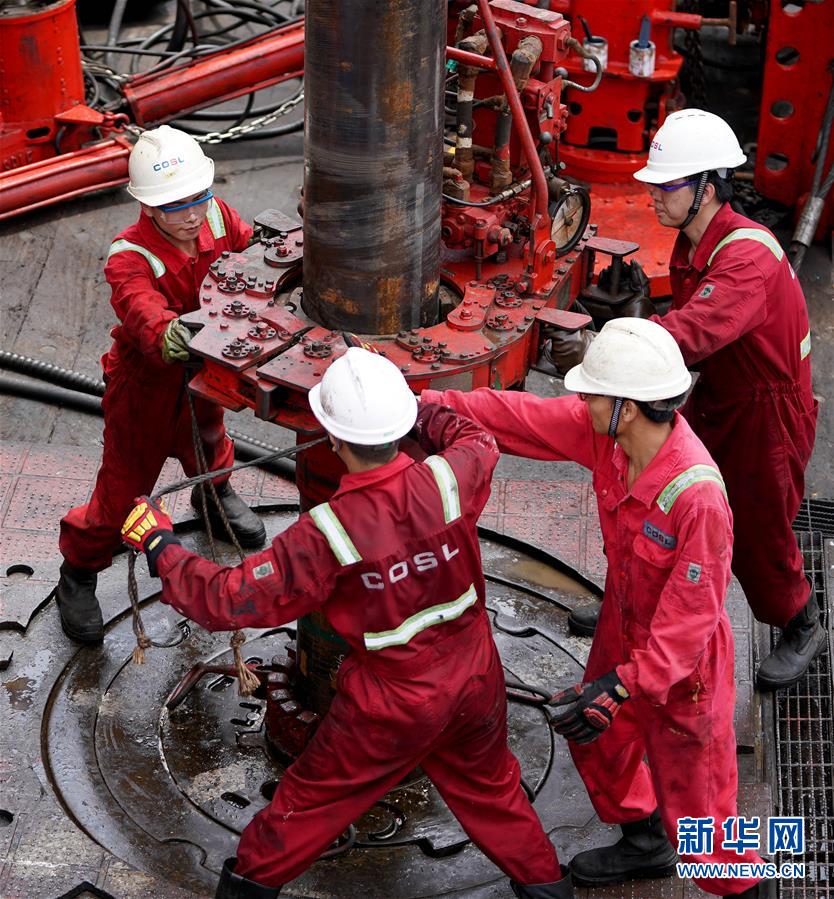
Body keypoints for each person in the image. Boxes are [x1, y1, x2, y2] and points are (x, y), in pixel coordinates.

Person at [122, 347, 571, 899]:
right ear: (399, 425)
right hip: (476, 677)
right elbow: (477, 438)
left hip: (392, 706)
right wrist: (415, 405)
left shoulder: (328, 534)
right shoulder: (450, 479)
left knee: (308, 806)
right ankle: (550, 888)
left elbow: (227, 600)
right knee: (494, 794)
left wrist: (160, 545)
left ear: (332, 439)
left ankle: (245, 888)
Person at [422, 319, 772, 898]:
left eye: (591, 394)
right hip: (624, 632)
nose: (580, 402)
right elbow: (517, 418)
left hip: (684, 677)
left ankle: (750, 886)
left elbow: (688, 626)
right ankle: (644, 840)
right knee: (596, 740)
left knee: (707, 835)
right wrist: (419, 404)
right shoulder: (608, 436)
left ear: (627, 409)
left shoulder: (697, 499)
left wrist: (623, 686)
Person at [633, 108, 822, 691]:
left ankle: (803, 624)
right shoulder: (695, 242)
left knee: (761, 531)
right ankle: (645, 606)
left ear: (708, 189)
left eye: (666, 185)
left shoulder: (745, 259)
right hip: (723, 395)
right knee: (666, 497)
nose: (654, 195)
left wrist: (611, 343)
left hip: (768, 415)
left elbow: (691, 335)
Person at [55, 125, 265, 644]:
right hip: (146, 387)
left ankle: (213, 495)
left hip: (205, 374)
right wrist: (168, 332)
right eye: (174, 206)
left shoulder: (218, 216)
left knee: (209, 441)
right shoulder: (129, 254)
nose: (191, 214)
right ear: (147, 206)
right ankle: (78, 571)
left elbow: (250, 255)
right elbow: (137, 304)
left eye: (198, 197)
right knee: (123, 493)